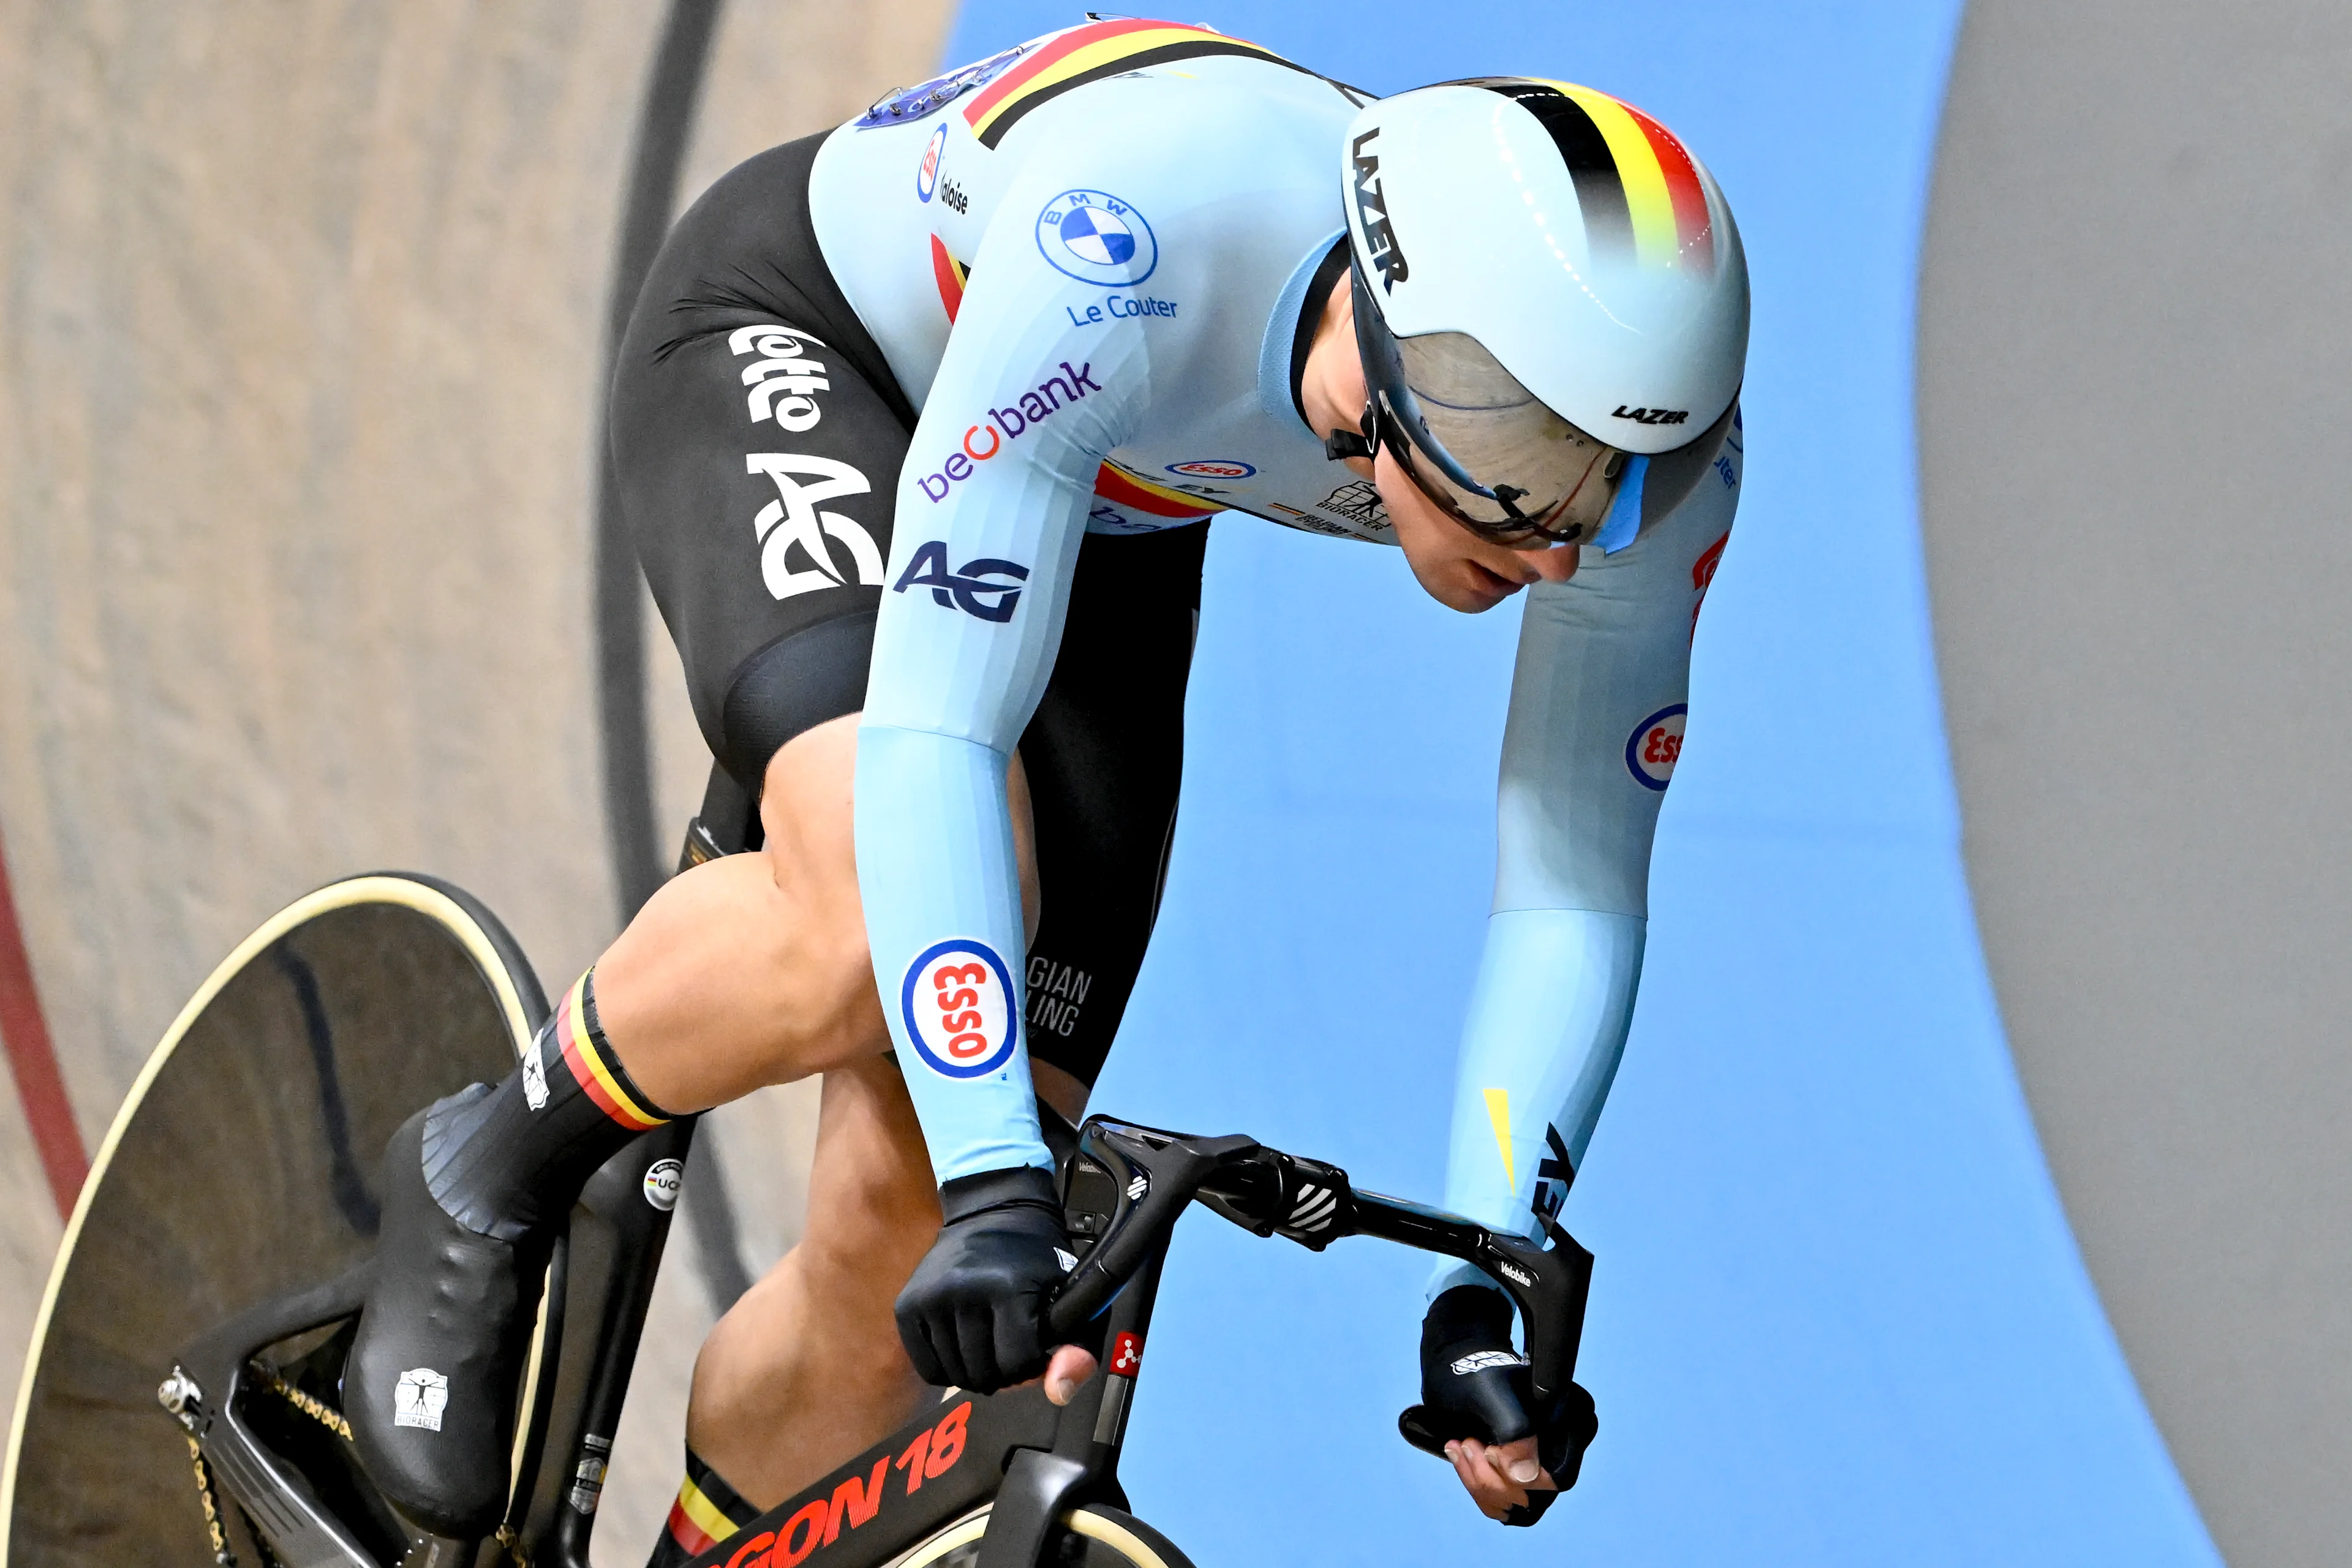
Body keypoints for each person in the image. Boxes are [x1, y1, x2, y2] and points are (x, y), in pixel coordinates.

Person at [341, 16, 1747, 1555]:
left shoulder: (1644, 472)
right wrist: (1002, 1167)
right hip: (819, 349)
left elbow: (1573, 879)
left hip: (1106, 498)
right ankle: (485, 1168)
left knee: (909, 1261)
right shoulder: (1135, 237)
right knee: (878, 929)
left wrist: (1492, 1263)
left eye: (1604, 478)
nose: (1559, 539)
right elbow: (938, 733)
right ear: (1398, 337)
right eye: (1522, 455)